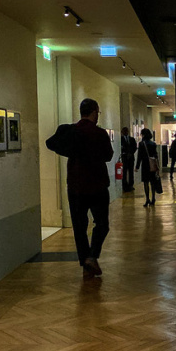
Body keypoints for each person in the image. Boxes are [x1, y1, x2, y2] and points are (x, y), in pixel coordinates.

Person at [67, 98, 113, 277]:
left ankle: (85, 260)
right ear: (94, 112)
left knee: (79, 226)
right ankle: (92, 257)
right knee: (102, 224)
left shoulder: (72, 132)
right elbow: (108, 156)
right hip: (97, 185)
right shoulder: (99, 133)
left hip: (75, 185)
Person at [135, 128, 159, 207]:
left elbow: (139, 156)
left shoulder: (142, 144)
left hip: (145, 165)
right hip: (152, 165)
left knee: (146, 182)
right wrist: (157, 166)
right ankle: (153, 198)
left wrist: (137, 166)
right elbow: (156, 156)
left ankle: (147, 199)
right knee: (152, 182)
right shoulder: (153, 144)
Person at [120, 127, 136, 192]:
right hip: (124, 158)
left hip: (131, 158)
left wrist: (131, 153)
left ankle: (131, 185)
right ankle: (125, 185)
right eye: (124, 131)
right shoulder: (120, 139)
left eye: (126, 131)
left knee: (131, 172)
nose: (125, 132)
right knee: (124, 172)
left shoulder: (132, 139)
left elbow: (134, 147)